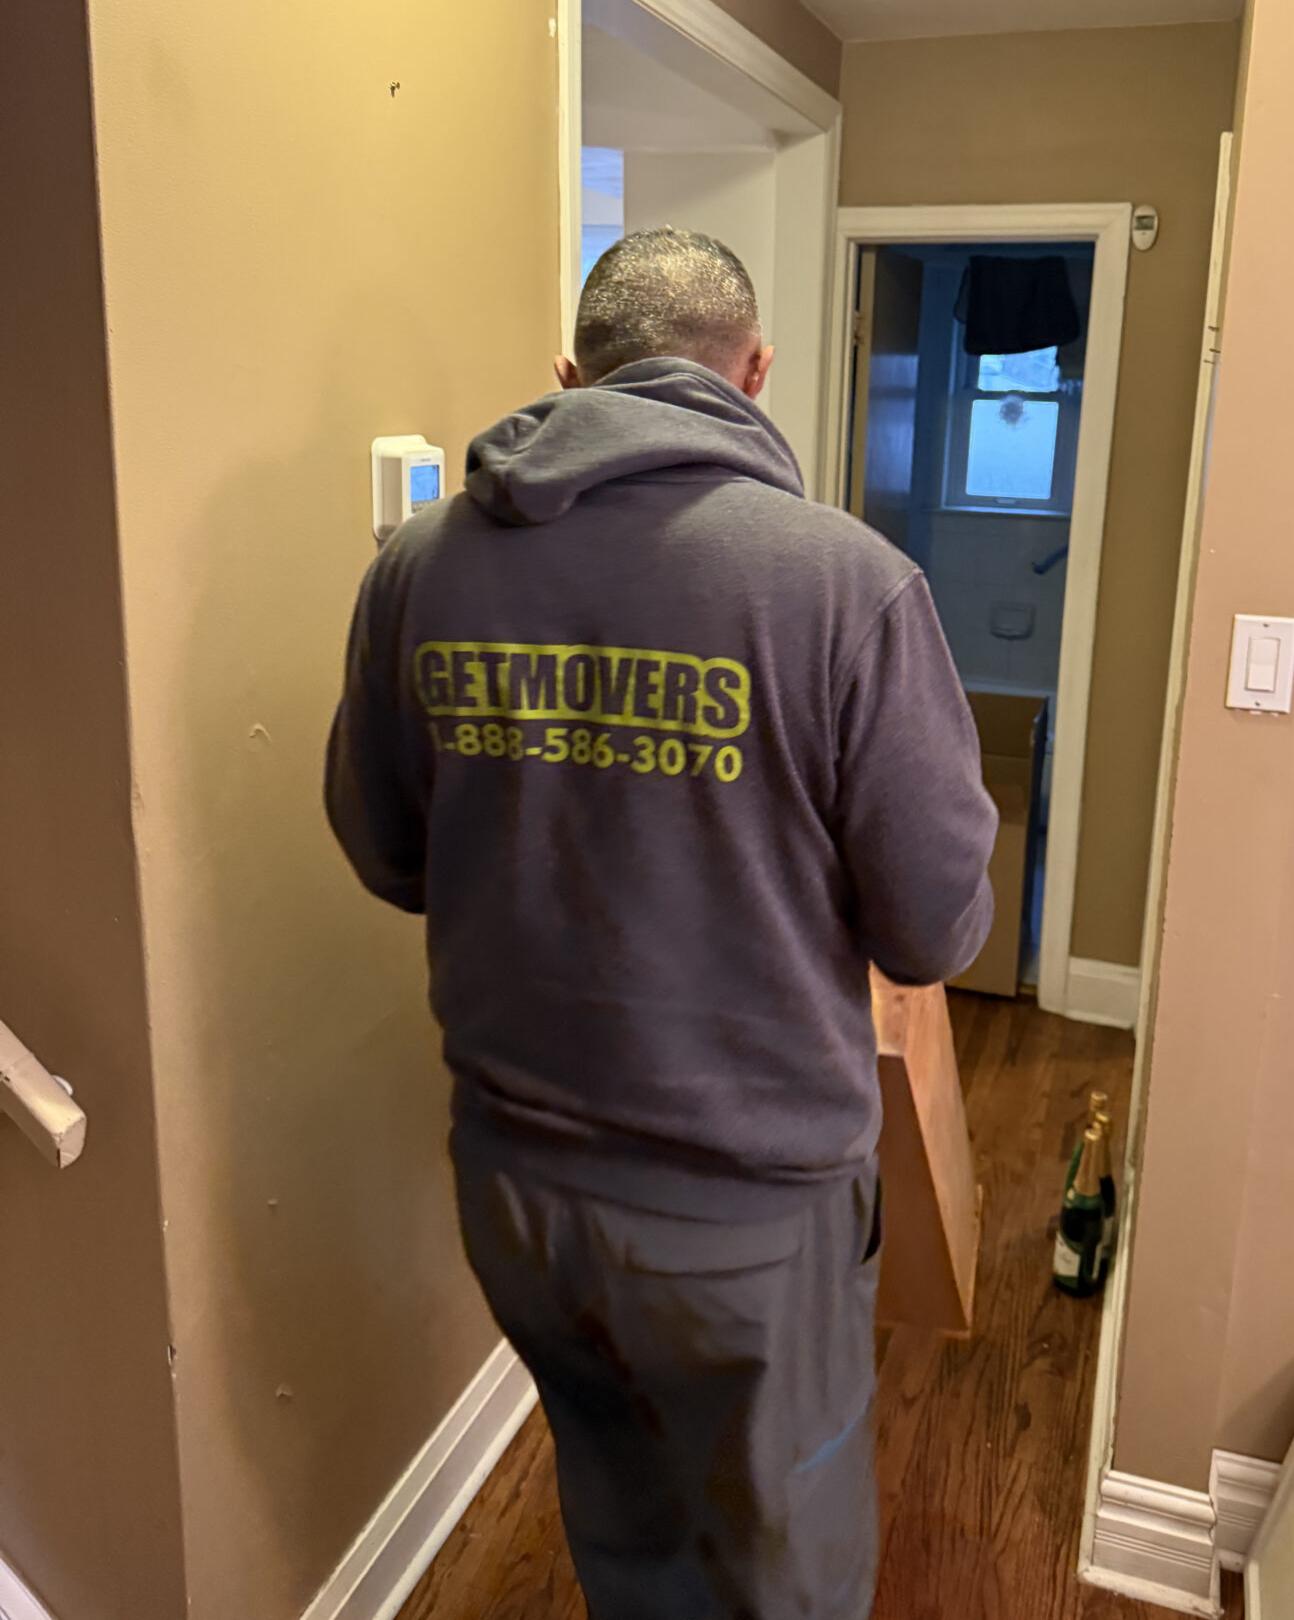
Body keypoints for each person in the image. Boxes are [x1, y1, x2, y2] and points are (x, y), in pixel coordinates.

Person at [326, 227, 997, 1620]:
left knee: (624, 1516)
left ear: (571, 376)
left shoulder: (417, 572)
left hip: (516, 1191)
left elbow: (389, 855)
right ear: (753, 373)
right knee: (783, 1564)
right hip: (742, 1220)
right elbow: (936, 933)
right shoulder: (846, 587)